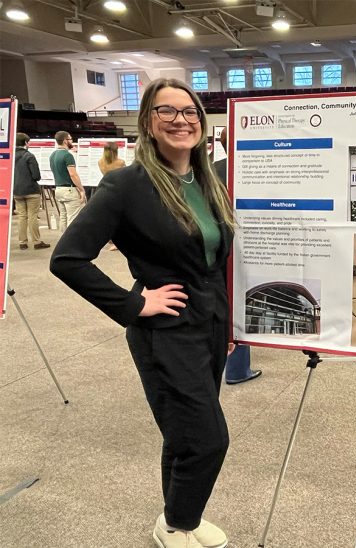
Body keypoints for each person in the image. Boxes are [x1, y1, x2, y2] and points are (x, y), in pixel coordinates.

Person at [50, 78, 236, 548]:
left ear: (201, 120)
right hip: (164, 329)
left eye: (189, 111)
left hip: (209, 325)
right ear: (148, 124)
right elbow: (67, 259)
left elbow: (214, 260)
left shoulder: (208, 178)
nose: (180, 120)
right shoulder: (126, 185)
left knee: (183, 432)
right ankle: (176, 521)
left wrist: (227, 322)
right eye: (166, 112)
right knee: (208, 438)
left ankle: (178, 521)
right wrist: (135, 304)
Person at [213, 127, 261, 384]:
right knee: (240, 307)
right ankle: (237, 370)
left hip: (216, 249)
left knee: (224, 304)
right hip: (247, 247)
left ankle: (224, 363)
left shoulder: (209, 170)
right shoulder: (252, 169)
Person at [13, 132, 50, 250]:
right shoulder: (29, 156)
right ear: (25, 143)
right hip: (31, 191)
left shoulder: (10, 156)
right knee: (32, 216)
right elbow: (36, 176)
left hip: (17, 191)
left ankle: (22, 242)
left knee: (21, 216)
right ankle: (36, 241)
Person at [49, 130, 85, 231]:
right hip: (69, 190)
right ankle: (72, 243)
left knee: (63, 217)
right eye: (70, 139)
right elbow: (73, 174)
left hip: (58, 189)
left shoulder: (52, 155)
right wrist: (81, 189)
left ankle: (63, 242)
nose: (72, 141)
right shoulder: (68, 155)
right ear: (65, 141)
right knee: (73, 219)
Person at [98, 141, 127, 250]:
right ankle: (119, 242)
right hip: (120, 190)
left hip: (105, 190)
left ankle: (110, 240)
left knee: (109, 217)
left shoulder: (100, 162)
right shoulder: (120, 163)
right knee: (122, 218)